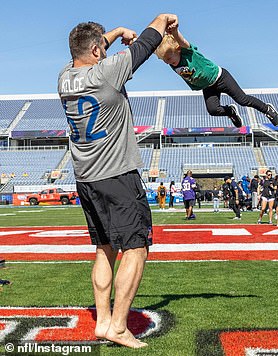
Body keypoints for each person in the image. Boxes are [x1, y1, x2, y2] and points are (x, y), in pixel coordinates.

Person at [58, 14, 178, 349]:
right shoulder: (107, 74)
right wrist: (163, 18)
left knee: (104, 250)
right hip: (117, 175)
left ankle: (104, 321)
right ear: (97, 52)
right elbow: (146, 44)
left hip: (86, 179)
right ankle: (120, 326)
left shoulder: (65, 77)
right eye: (103, 48)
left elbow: (91, 48)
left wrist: (115, 33)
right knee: (137, 249)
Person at [155, 27, 278, 128]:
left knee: (242, 100)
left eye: (169, 59)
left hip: (221, 78)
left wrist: (175, 31)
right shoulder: (171, 62)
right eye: (165, 61)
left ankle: (267, 109)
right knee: (213, 110)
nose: (168, 63)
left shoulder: (188, 52)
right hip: (208, 87)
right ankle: (230, 111)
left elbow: (181, 41)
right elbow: (157, 49)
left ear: (178, 50)